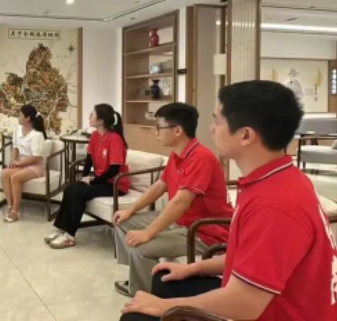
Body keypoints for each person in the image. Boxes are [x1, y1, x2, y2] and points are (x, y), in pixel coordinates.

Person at [121, 81, 337, 321]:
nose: (211, 129)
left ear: (245, 135)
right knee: (164, 281)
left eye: (217, 121)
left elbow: (245, 304)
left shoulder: (273, 205)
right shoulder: (277, 179)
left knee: (136, 317)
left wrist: (164, 307)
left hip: (272, 311)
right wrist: (193, 268)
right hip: (261, 299)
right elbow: (248, 260)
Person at [112, 103, 233, 297]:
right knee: (122, 221)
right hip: (181, 222)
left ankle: (144, 295)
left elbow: (181, 202)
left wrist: (148, 233)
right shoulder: (177, 155)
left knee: (142, 247)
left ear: (177, 130)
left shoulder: (200, 157)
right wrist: (130, 210)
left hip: (204, 231)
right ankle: (138, 276)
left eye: (159, 127)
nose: (156, 132)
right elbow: (160, 186)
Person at [44, 104, 129, 249]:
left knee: (78, 193)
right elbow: (89, 159)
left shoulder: (115, 139)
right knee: (70, 189)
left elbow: (114, 169)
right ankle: (61, 228)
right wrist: (83, 178)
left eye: (92, 114)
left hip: (115, 184)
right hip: (101, 180)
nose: (90, 117)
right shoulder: (95, 136)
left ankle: (70, 236)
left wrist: (94, 180)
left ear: (100, 121)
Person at [1, 104, 49, 223]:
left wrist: (18, 164)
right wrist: (13, 161)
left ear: (28, 118)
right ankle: (10, 206)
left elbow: (35, 157)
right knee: (4, 173)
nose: (18, 117)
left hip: (35, 165)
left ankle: (15, 211)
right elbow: (15, 147)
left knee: (15, 177)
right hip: (20, 162)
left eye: (20, 115)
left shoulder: (37, 135)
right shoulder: (17, 129)